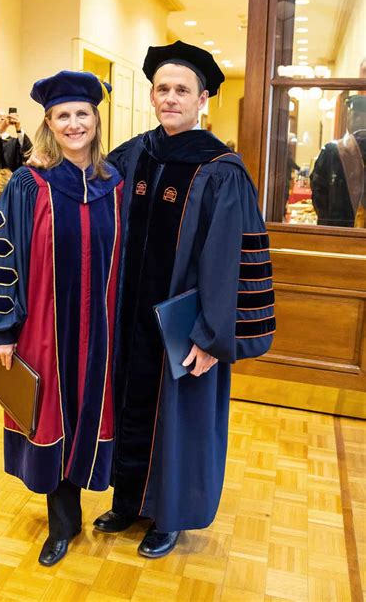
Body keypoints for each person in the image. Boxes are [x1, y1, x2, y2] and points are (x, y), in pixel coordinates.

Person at [93, 40, 275, 558]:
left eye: (182, 90)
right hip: (130, 319)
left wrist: (214, 337)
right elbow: (89, 204)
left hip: (188, 327)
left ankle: (169, 517)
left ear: (203, 100)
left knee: (181, 420)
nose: (170, 98)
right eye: (162, 89)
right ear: (152, 96)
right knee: (129, 402)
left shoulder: (222, 170)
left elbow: (232, 261)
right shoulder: (135, 154)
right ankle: (128, 500)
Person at [0, 71, 123, 566]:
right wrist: (2, 327)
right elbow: (2, 253)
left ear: (96, 121)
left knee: (89, 414)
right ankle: (61, 525)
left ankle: (86, 506)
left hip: (100, 333)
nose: (75, 123)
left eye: (83, 114)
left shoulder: (113, 184)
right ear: (50, 124)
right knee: (50, 414)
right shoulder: (27, 183)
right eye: (64, 116)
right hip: (44, 328)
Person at [310, 94, 366, 227]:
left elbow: (318, 191)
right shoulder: (333, 150)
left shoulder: (332, 151)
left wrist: (327, 220)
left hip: (338, 230)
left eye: (351, 115)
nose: (348, 120)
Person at [0, 109, 33, 198]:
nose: (2, 119)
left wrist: (18, 128)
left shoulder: (14, 142)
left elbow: (27, 153)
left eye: (4, 117)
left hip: (12, 188)